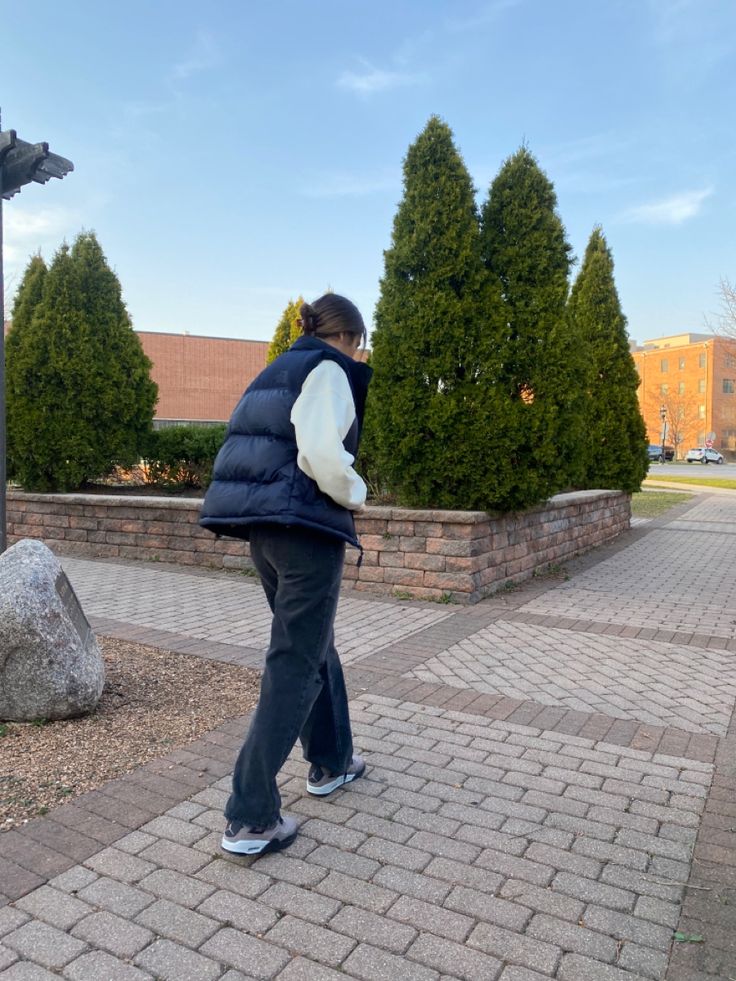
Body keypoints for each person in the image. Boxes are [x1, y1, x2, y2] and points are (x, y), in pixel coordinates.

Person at [199, 293, 373, 855]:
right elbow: (321, 453)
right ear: (347, 337)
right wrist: (357, 495)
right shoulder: (328, 369)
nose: (361, 355)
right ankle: (250, 816)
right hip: (306, 533)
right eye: (360, 344)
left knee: (311, 647)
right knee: (295, 663)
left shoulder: (276, 369)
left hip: (266, 531)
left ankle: (331, 761)